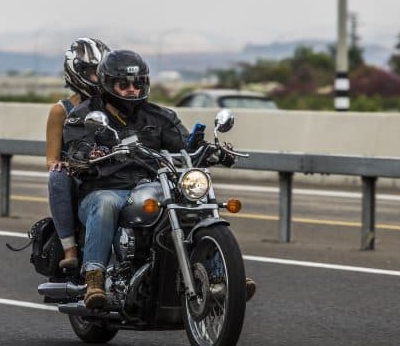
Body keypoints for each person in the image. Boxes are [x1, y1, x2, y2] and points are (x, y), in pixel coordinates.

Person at [63, 49, 256, 309]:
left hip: (153, 186)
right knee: (106, 203)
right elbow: (76, 148)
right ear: (108, 84)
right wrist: (89, 153)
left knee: (193, 201)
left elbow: (184, 145)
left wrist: (212, 150)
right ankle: (94, 278)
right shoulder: (86, 115)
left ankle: (224, 273)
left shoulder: (160, 116)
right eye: (124, 84)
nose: (132, 89)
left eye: (137, 83)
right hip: (105, 188)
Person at [45, 37, 110, 269]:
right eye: (94, 72)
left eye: (103, 71)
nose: (99, 78)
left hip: (113, 169)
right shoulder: (61, 111)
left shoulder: (116, 106)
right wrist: (62, 164)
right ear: (77, 72)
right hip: (79, 173)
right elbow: (51, 158)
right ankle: (70, 249)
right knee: (56, 177)